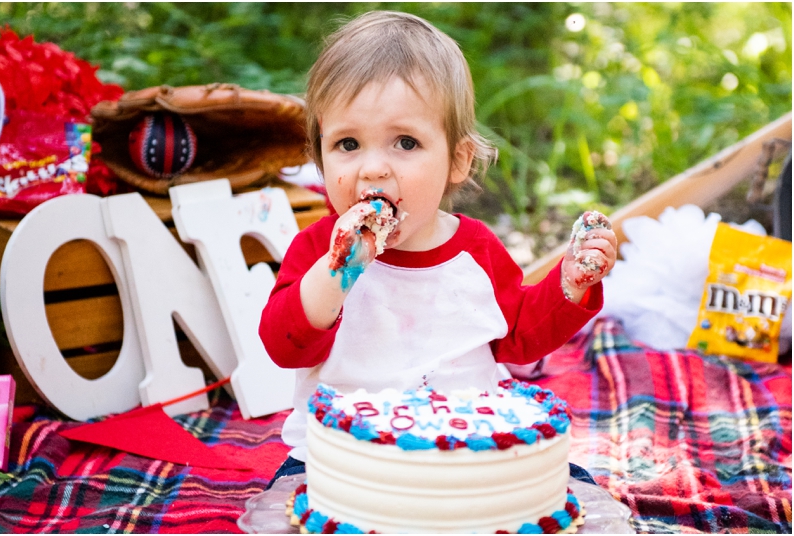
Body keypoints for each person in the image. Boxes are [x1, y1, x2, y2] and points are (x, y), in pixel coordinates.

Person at [260, 10, 617, 488]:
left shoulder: (474, 250)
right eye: (347, 144)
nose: (372, 169)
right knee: (293, 501)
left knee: (563, 486)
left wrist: (570, 284)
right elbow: (284, 345)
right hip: (342, 458)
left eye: (405, 142)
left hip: (467, 450)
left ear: (457, 160)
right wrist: (337, 272)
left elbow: (520, 335)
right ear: (320, 157)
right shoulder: (317, 250)